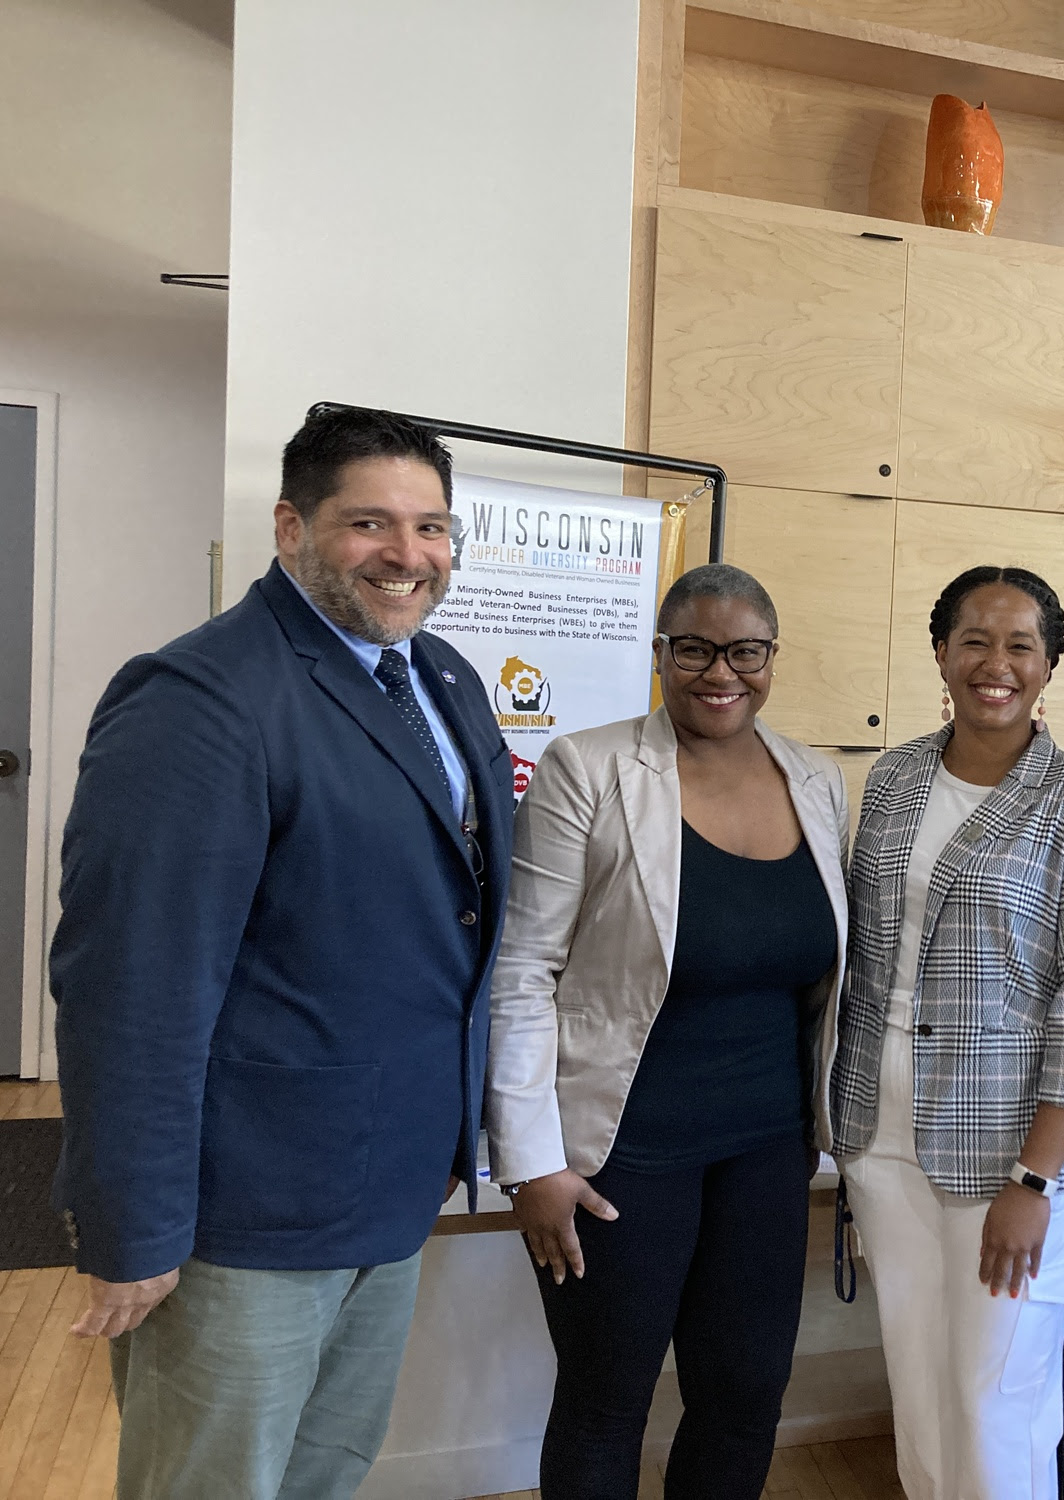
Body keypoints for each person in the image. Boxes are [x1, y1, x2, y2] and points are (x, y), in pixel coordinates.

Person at [50, 405, 513, 1500]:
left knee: (324, 1475)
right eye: (370, 523)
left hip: (390, 1181)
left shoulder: (441, 678)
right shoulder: (203, 696)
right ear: (289, 528)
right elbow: (130, 985)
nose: (409, 556)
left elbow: (455, 913)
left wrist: (457, 1127)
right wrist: (134, 1222)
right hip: (244, 1211)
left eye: (433, 527)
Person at [485, 564, 849, 1499]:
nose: (719, 671)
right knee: (608, 1402)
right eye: (693, 648)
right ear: (661, 655)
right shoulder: (589, 767)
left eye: (744, 651)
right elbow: (524, 970)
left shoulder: (813, 778)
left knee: (745, 1397)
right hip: (620, 1155)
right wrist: (530, 1163)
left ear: (772, 658)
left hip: (769, 1149)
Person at [829, 565, 1064, 1500]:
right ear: (940, 652)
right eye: (974, 640)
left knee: (997, 1402)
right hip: (882, 1139)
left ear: (1049, 667)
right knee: (922, 1393)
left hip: (1015, 1159)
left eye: (1020, 646)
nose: (994, 664)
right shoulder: (892, 780)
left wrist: (1033, 1182)